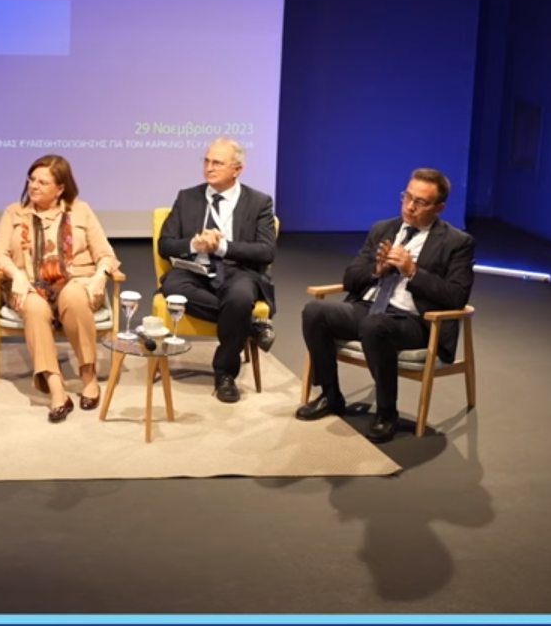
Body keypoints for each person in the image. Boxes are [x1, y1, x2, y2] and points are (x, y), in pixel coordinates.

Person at [295, 168, 475, 443]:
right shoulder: (383, 229)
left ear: (439, 208)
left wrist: (412, 271)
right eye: (407, 197)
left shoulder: (457, 243)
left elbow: (456, 296)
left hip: (414, 321)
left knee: (374, 325)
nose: (410, 207)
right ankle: (331, 396)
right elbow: (350, 279)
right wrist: (376, 270)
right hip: (368, 307)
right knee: (315, 311)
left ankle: (387, 412)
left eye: (420, 202)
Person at [0, 156, 121, 422]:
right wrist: (16, 275)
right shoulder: (14, 212)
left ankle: (88, 376)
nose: (33, 186)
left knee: (74, 295)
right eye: (31, 180)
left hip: (76, 283)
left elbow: (106, 254)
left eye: (42, 182)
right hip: (29, 286)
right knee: (34, 307)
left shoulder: (81, 211)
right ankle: (56, 387)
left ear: (60, 188)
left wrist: (100, 276)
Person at [155, 137, 277, 403]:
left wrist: (222, 247)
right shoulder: (187, 197)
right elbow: (165, 245)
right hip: (194, 269)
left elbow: (266, 251)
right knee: (173, 288)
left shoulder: (259, 202)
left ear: (237, 169)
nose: (209, 168)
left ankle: (225, 374)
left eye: (218, 163)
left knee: (240, 298)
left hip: (237, 270)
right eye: (207, 161)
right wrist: (194, 244)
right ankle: (250, 325)